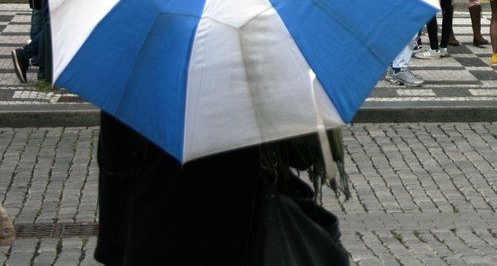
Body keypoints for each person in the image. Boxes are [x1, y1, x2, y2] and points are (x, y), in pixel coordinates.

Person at [95, 113, 350, 265]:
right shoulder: (244, 48)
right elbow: (300, 156)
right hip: (235, 224)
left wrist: (113, 249)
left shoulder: (133, 59)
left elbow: (115, 167)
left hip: (154, 231)